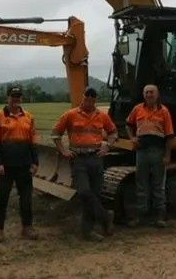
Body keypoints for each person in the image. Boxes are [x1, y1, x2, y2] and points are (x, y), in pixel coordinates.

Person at [52, 86, 118, 242]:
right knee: (83, 192)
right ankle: (105, 216)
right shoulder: (71, 115)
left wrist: (108, 146)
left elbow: (113, 132)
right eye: (86, 99)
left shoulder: (102, 115)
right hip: (79, 158)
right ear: (83, 98)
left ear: (95, 100)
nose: (89, 102)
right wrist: (63, 151)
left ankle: (87, 232)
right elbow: (55, 134)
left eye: (92, 99)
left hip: (96, 157)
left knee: (94, 194)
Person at [0, 86, 39, 243]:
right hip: (6, 166)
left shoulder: (29, 117)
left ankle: (27, 228)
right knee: (2, 198)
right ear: (7, 98)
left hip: (24, 165)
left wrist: (35, 162)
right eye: (13, 96)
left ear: (21, 98)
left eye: (18, 96)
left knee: (26, 199)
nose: (16, 99)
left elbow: (33, 141)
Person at [126, 84, 174, 228]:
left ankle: (159, 216)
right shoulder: (137, 109)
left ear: (157, 94)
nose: (149, 95)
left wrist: (167, 155)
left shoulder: (164, 111)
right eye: (146, 92)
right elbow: (128, 124)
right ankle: (142, 216)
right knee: (141, 185)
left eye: (151, 92)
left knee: (158, 185)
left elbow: (170, 136)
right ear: (143, 95)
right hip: (142, 151)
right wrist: (132, 138)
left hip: (157, 151)